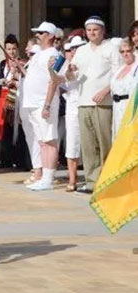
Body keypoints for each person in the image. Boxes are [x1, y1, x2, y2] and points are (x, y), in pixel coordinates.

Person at [68, 16, 121, 194]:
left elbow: (117, 74)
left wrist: (105, 90)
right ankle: (91, 181)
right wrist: (69, 70)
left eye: (95, 30)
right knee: (88, 145)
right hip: (84, 102)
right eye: (89, 30)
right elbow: (72, 76)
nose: (92, 33)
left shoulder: (111, 48)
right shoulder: (81, 50)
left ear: (102, 31)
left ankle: (107, 180)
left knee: (104, 142)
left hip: (103, 103)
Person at [19, 21, 62, 191]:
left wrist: (47, 104)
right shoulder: (38, 55)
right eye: (37, 32)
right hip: (32, 104)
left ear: (51, 36)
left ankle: (49, 178)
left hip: (44, 103)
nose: (38, 35)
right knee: (41, 141)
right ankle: (44, 176)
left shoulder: (55, 55)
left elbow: (55, 80)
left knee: (49, 140)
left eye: (41, 33)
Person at [0, 34, 28, 170]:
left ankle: (21, 161)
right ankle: (5, 159)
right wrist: (3, 82)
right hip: (4, 101)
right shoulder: (1, 65)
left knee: (19, 130)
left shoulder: (23, 64)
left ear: (18, 49)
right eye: (9, 49)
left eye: (14, 49)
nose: (11, 52)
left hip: (18, 100)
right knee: (5, 130)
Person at [56, 35, 87, 192]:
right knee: (72, 142)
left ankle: (92, 177)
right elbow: (61, 79)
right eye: (71, 49)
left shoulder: (89, 62)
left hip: (89, 103)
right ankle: (72, 179)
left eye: (77, 48)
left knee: (90, 143)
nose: (74, 51)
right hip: (73, 106)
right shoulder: (68, 64)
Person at [110, 39, 138, 139]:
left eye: (128, 51)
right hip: (117, 108)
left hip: (131, 107)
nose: (125, 54)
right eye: (122, 51)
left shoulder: (136, 67)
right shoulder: (120, 69)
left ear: (133, 50)